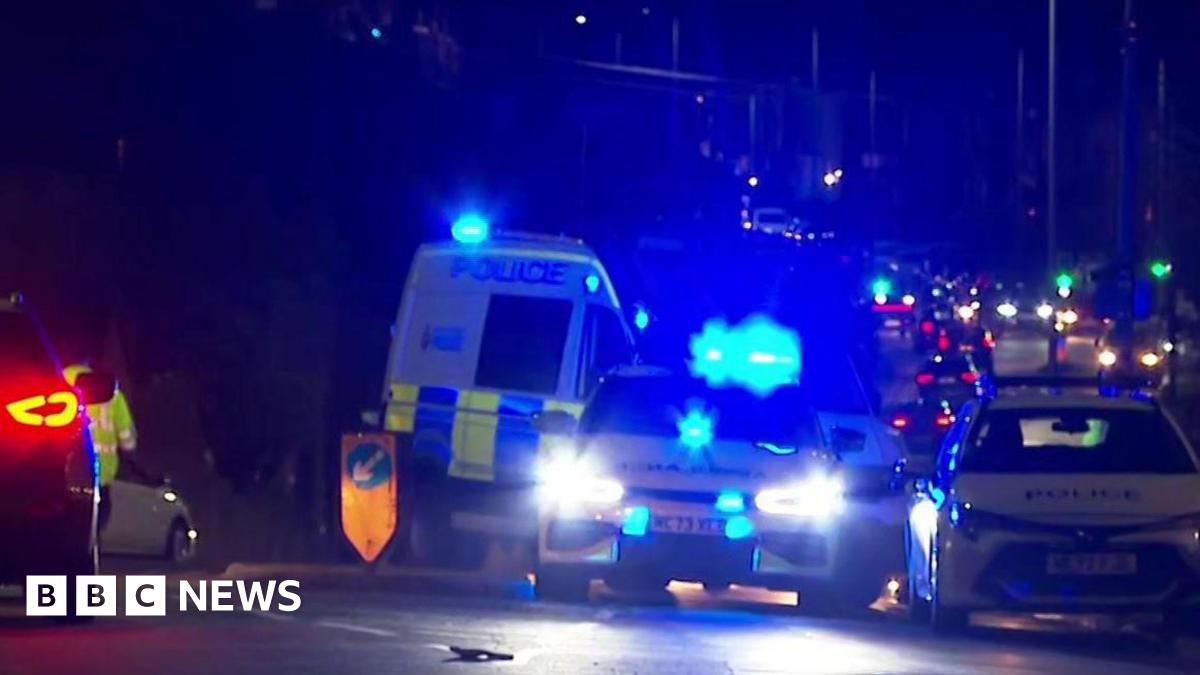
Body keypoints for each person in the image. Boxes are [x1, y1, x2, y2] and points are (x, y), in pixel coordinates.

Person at [63, 363, 137, 530]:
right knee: (93, 530)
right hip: (100, 477)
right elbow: (129, 441)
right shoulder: (111, 388)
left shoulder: (58, 382)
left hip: (62, 478)